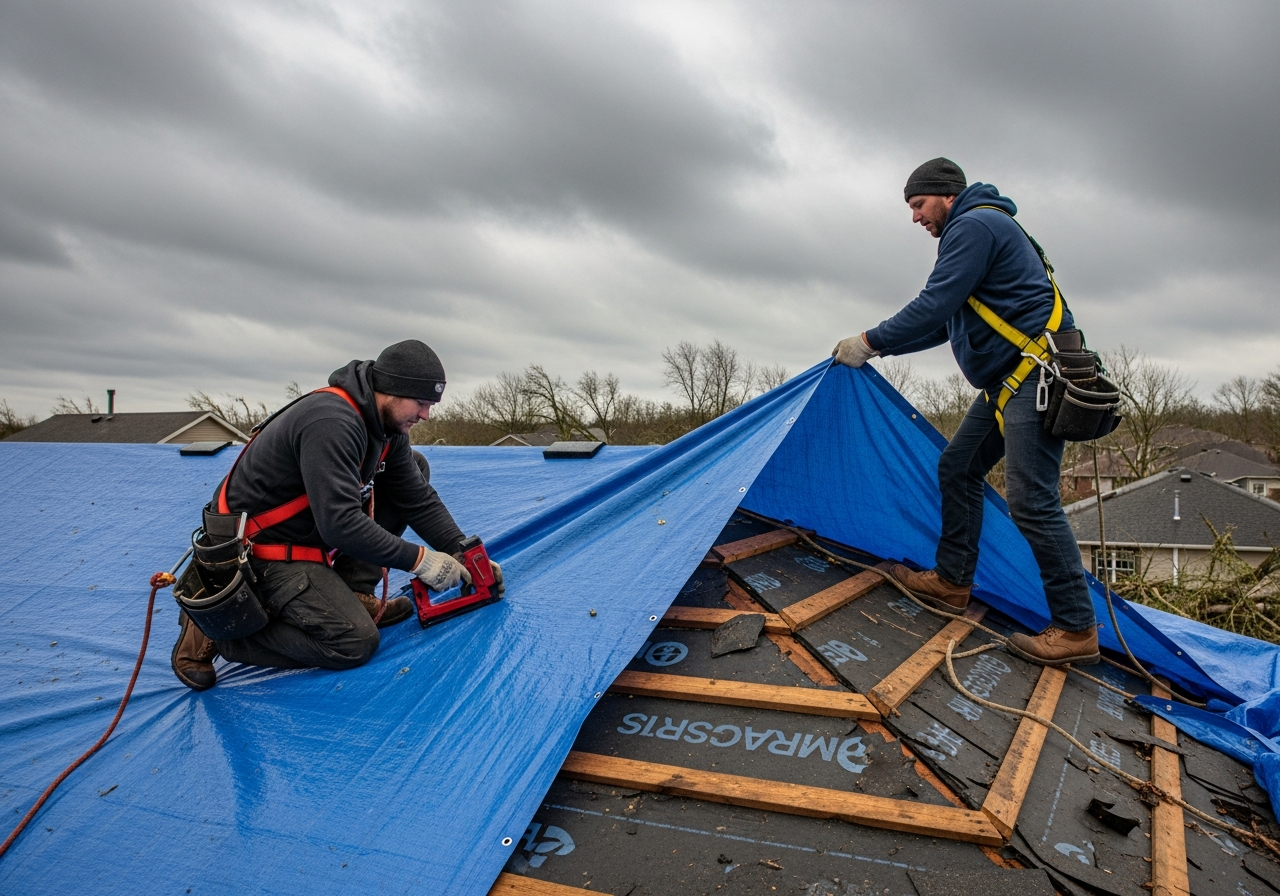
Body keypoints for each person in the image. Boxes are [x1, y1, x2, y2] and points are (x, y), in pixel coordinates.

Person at [832, 158, 1098, 666]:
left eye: (917, 205)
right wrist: (880, 350)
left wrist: (867, 339)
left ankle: (1075, 629)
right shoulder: (976, 227)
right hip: (1009, 382)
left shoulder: (974, 224)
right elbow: (944, 323)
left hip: (1034, 379)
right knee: (958, 467)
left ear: (946, 196)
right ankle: (953, 581)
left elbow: (933, 304)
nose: (914, 218)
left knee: (1032, 500)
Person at [170, 339, 502, 689]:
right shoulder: (331, 422)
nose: (425, 415)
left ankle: (353, 590)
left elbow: (416, 498)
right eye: (421, 403)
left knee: (413, 469)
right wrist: (422, 561)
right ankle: (225, 633)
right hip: (255, 550)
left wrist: (462, 551)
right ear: (389, 391)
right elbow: (340, 525)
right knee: (354, 643)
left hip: (303, 532)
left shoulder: (385, 427)